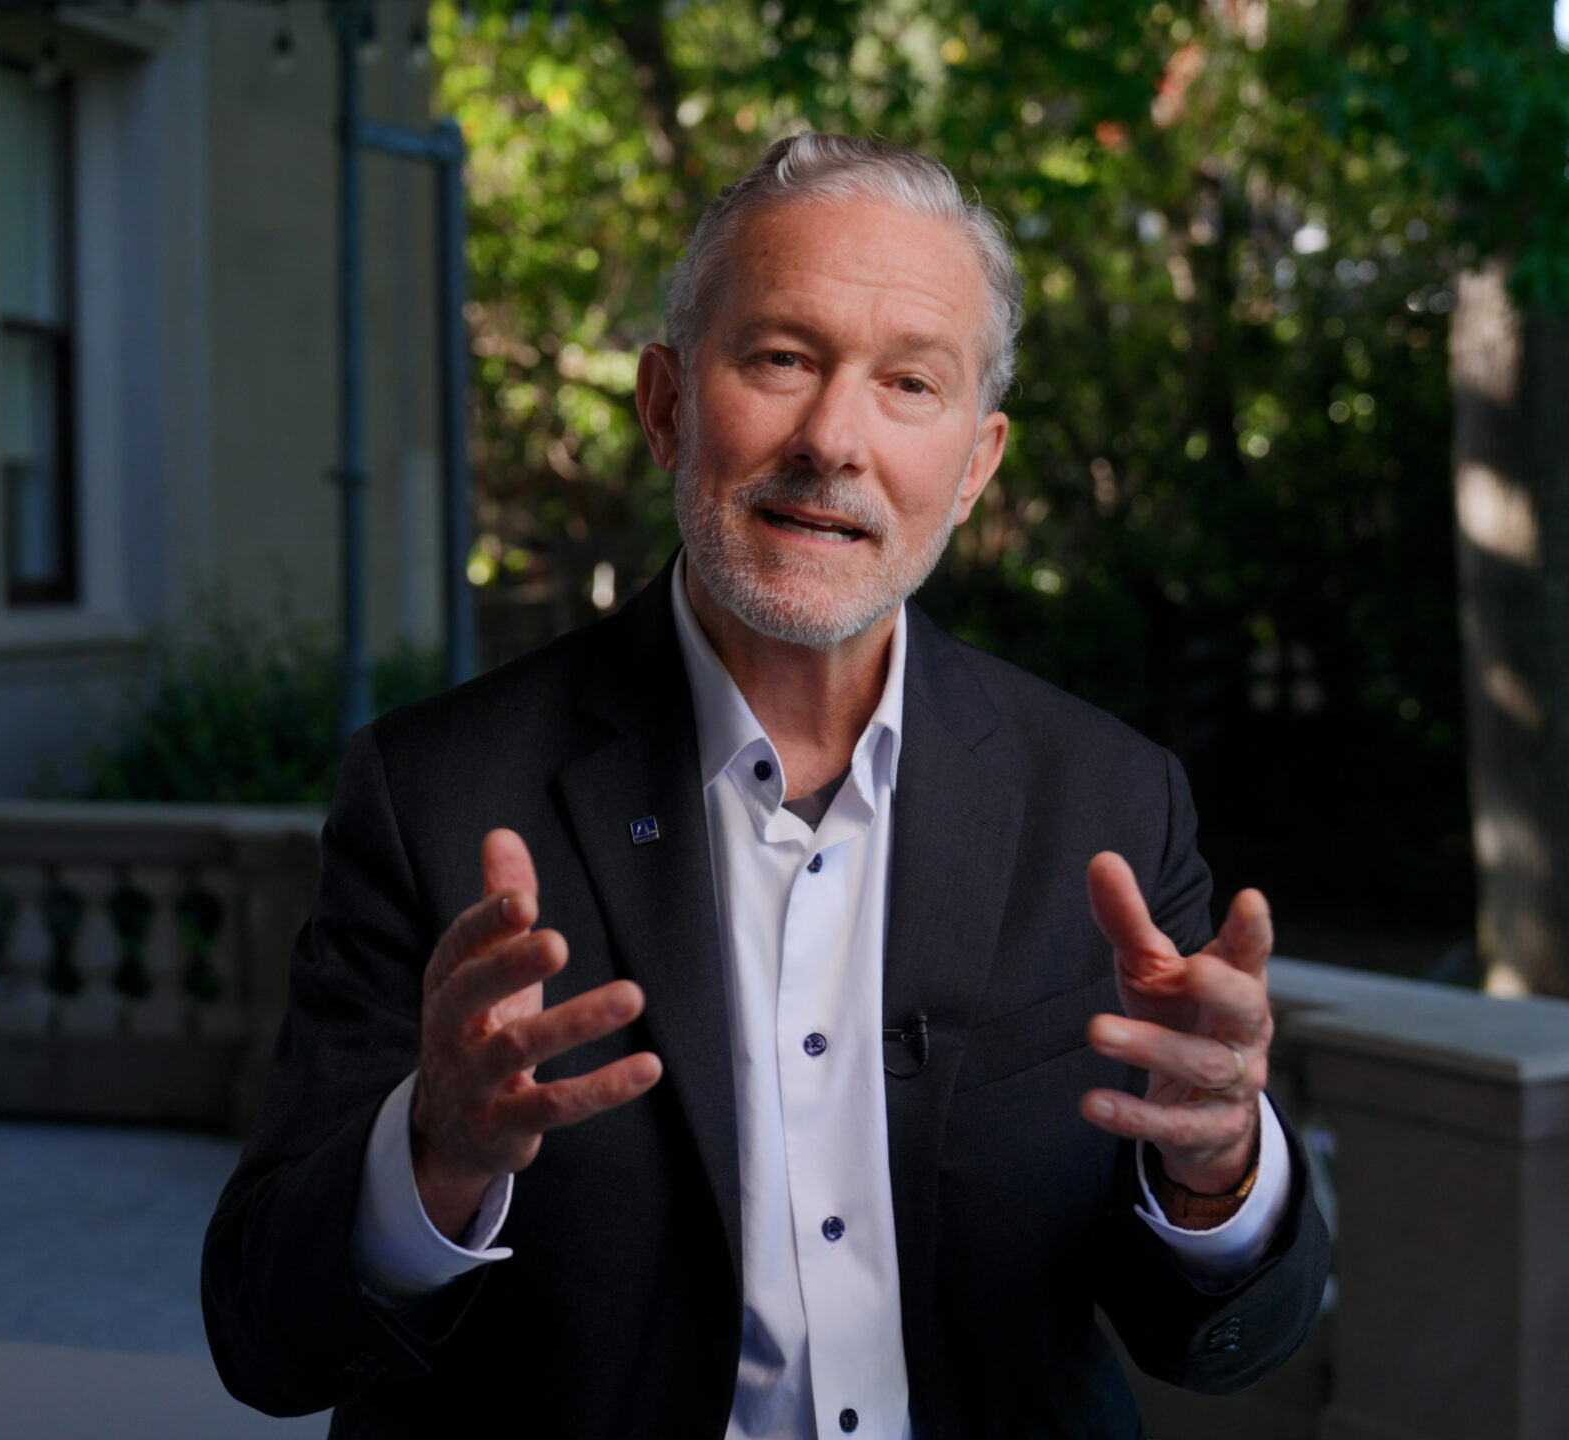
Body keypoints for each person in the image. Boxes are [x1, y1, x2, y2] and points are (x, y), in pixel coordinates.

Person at [202, 133, 1329, 1440]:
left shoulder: (1112, 805)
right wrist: (433, 1153)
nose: (834, 440)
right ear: (668, 404)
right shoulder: (439, 792)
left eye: (911, 384)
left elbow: (1224, 1341)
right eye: (782, 359)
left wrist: (1217, 1169)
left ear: (976, 462)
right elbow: (266, 1337)